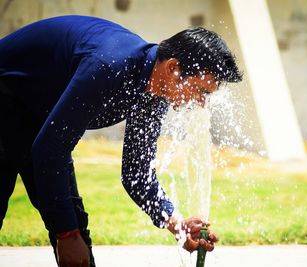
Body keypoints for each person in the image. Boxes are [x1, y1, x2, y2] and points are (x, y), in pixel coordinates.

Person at [0, 15, 242, 267]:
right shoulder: (110, 66)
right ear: (172, 68)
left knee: (73, 224)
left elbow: (136, 174)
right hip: (6, 92)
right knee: (67, 230)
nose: (202, 102)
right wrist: (65, 234)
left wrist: (177, 225)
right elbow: (51, 150)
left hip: (38, 111)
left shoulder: (155, 92)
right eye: (201, 91)